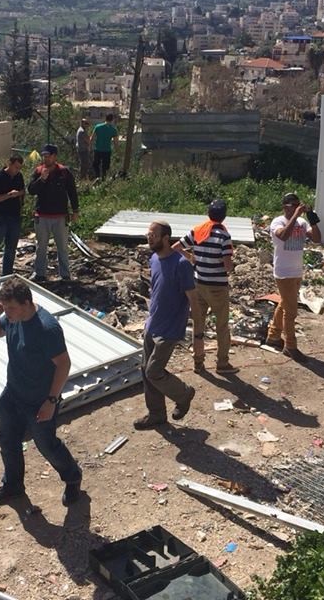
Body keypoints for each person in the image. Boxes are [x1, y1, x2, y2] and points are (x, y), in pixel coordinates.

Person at [0, 277, 83, 507]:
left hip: (39, 399)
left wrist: (51, 401)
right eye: (4, 307)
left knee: (47, 445)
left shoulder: (47, 328)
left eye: (10, 308)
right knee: (8, 441)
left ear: (27, 303)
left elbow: (64, 364)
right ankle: (13, 485)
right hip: (13, 393)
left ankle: (73, 477)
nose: (7, 312)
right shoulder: (13, 317)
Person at [134, 221, 198, 430]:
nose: (149, 237)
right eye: (148, 234)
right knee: (146, 370)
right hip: (152, 324)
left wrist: (198, 330)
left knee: (154, 371)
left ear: (165, 238)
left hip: (170, 329)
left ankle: (184, 394)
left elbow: (193, 298)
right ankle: (156, 414)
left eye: (153, 235)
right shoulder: (154, 259)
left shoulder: (181, 264)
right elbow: (157, 290)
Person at [173, 199, 237, 375]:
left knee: (198, 324)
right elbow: (227, 266)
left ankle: (198, 363)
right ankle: (222, 363)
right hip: (218, 287)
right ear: (224, 216)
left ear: (208, 213)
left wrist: (191, 258)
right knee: (222, 326)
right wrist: (231, 265)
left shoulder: (197, 231)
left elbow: (176, 247)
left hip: (198, 285)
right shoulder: (224, 236)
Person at [265, 193, 321, 360]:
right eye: (293, 206)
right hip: (283, 272)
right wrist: (295, 215)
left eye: (298, 205)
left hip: (296, 271)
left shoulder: (302, 223)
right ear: (285, 207)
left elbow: (317, 239)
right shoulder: (278, 222)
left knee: (285, 303)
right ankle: (290, 346)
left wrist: (312, 218)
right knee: (291, 311)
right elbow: (283, 236)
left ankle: (273, 336)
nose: (297, 208)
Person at [27, 144, 79, 282]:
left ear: (55, 156)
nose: (45, 158)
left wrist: (75, 210)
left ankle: (65, 275)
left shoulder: (64, 172)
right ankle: (40, 274)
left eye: (48, 156)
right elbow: (31, 190)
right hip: (42, 216)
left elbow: (72, 192)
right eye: (44, 156)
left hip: (60, 216)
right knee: (41, 247)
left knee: (62, 247)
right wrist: (42, 179)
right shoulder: (38, 171)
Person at [91, 113, 119, 180]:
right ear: (112, 120)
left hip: (98, 149)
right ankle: (103, 179)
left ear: (105, 118)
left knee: (96, 165)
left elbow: (92, 138)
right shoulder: (113, 130)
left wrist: (90, 147)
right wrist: (117, 153)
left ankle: (97, 177)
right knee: (105, 166)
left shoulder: (98, 127)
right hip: (107, 150)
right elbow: (116, 143)